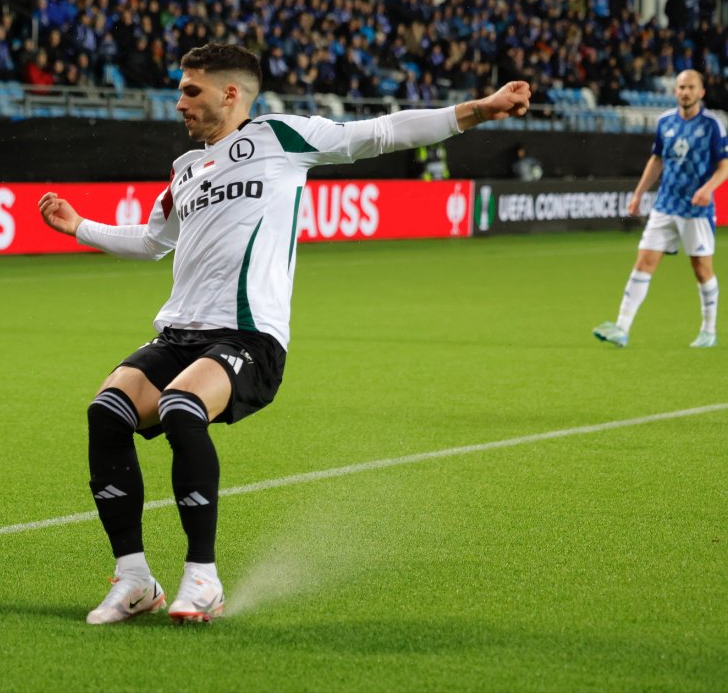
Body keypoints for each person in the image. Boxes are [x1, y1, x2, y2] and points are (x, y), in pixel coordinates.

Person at [37, 43, 530, 625]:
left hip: (248, 336)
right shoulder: (184, 170)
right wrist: (79, 228)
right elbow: (153, 241)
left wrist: (479, 109)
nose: (179, 103)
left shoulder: (280, 137)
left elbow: (377, 132)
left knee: (180, 409)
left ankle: (202, 580)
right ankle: (135, 579)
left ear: (230, 93)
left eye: (190, 91)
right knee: (107, 412)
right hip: (180, 332)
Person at [593, 70, 728, 348]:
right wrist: (639, 194)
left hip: (696, 210)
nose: (685, 92)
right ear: (675, 90)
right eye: (680, 87)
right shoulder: (665, 121)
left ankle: (709, 330)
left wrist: (707, 189)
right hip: (665, 205)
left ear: (701, 92)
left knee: (702, 270)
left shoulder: (714, 124)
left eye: (690, 87)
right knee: (643, 262)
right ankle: (622, 327)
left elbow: (724, 167)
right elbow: (656, 160)